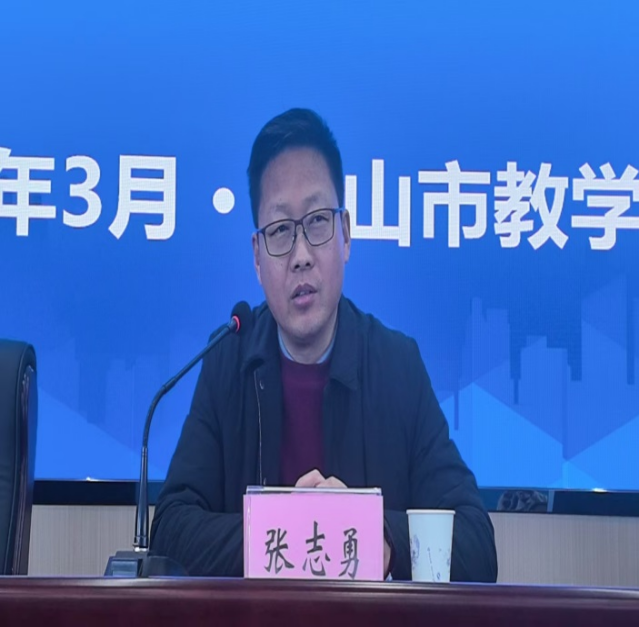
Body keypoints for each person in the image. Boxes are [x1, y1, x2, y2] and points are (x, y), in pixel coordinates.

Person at [150, 108, 498, 582]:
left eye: (317, 222)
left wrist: (375, 538)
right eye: (279, 231)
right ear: (257, 257)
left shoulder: (396, 366)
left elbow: (476, 545)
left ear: (346, 235)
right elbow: (170, 531)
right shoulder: (228, 360)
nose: (301, 256)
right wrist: (289, 531)